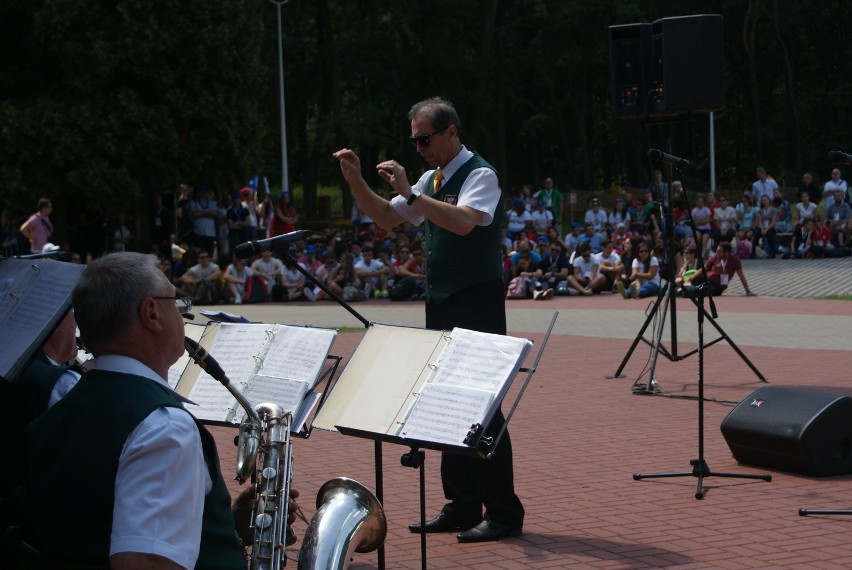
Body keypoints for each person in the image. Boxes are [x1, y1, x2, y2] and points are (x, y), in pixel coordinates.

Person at [333, 96, 524, 543]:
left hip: (476, 298)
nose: (418, 147)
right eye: (414, 140)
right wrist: (355, 178)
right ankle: (461, 505)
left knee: (482, 406)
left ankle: (504, 512)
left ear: (451, 132)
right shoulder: (431, 177)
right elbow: (383, 218)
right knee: (448, 402)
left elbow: (463, 223)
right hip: (442, 299)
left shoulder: (480, 173)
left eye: (425, 139)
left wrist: (413, 192)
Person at [25, 252, 246, 569]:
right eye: (177, 303)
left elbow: (90, 526)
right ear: (151, 313)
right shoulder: (164, 426)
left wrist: (223, 527)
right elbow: (144, 561)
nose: (183, 316)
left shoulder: (63, 404)